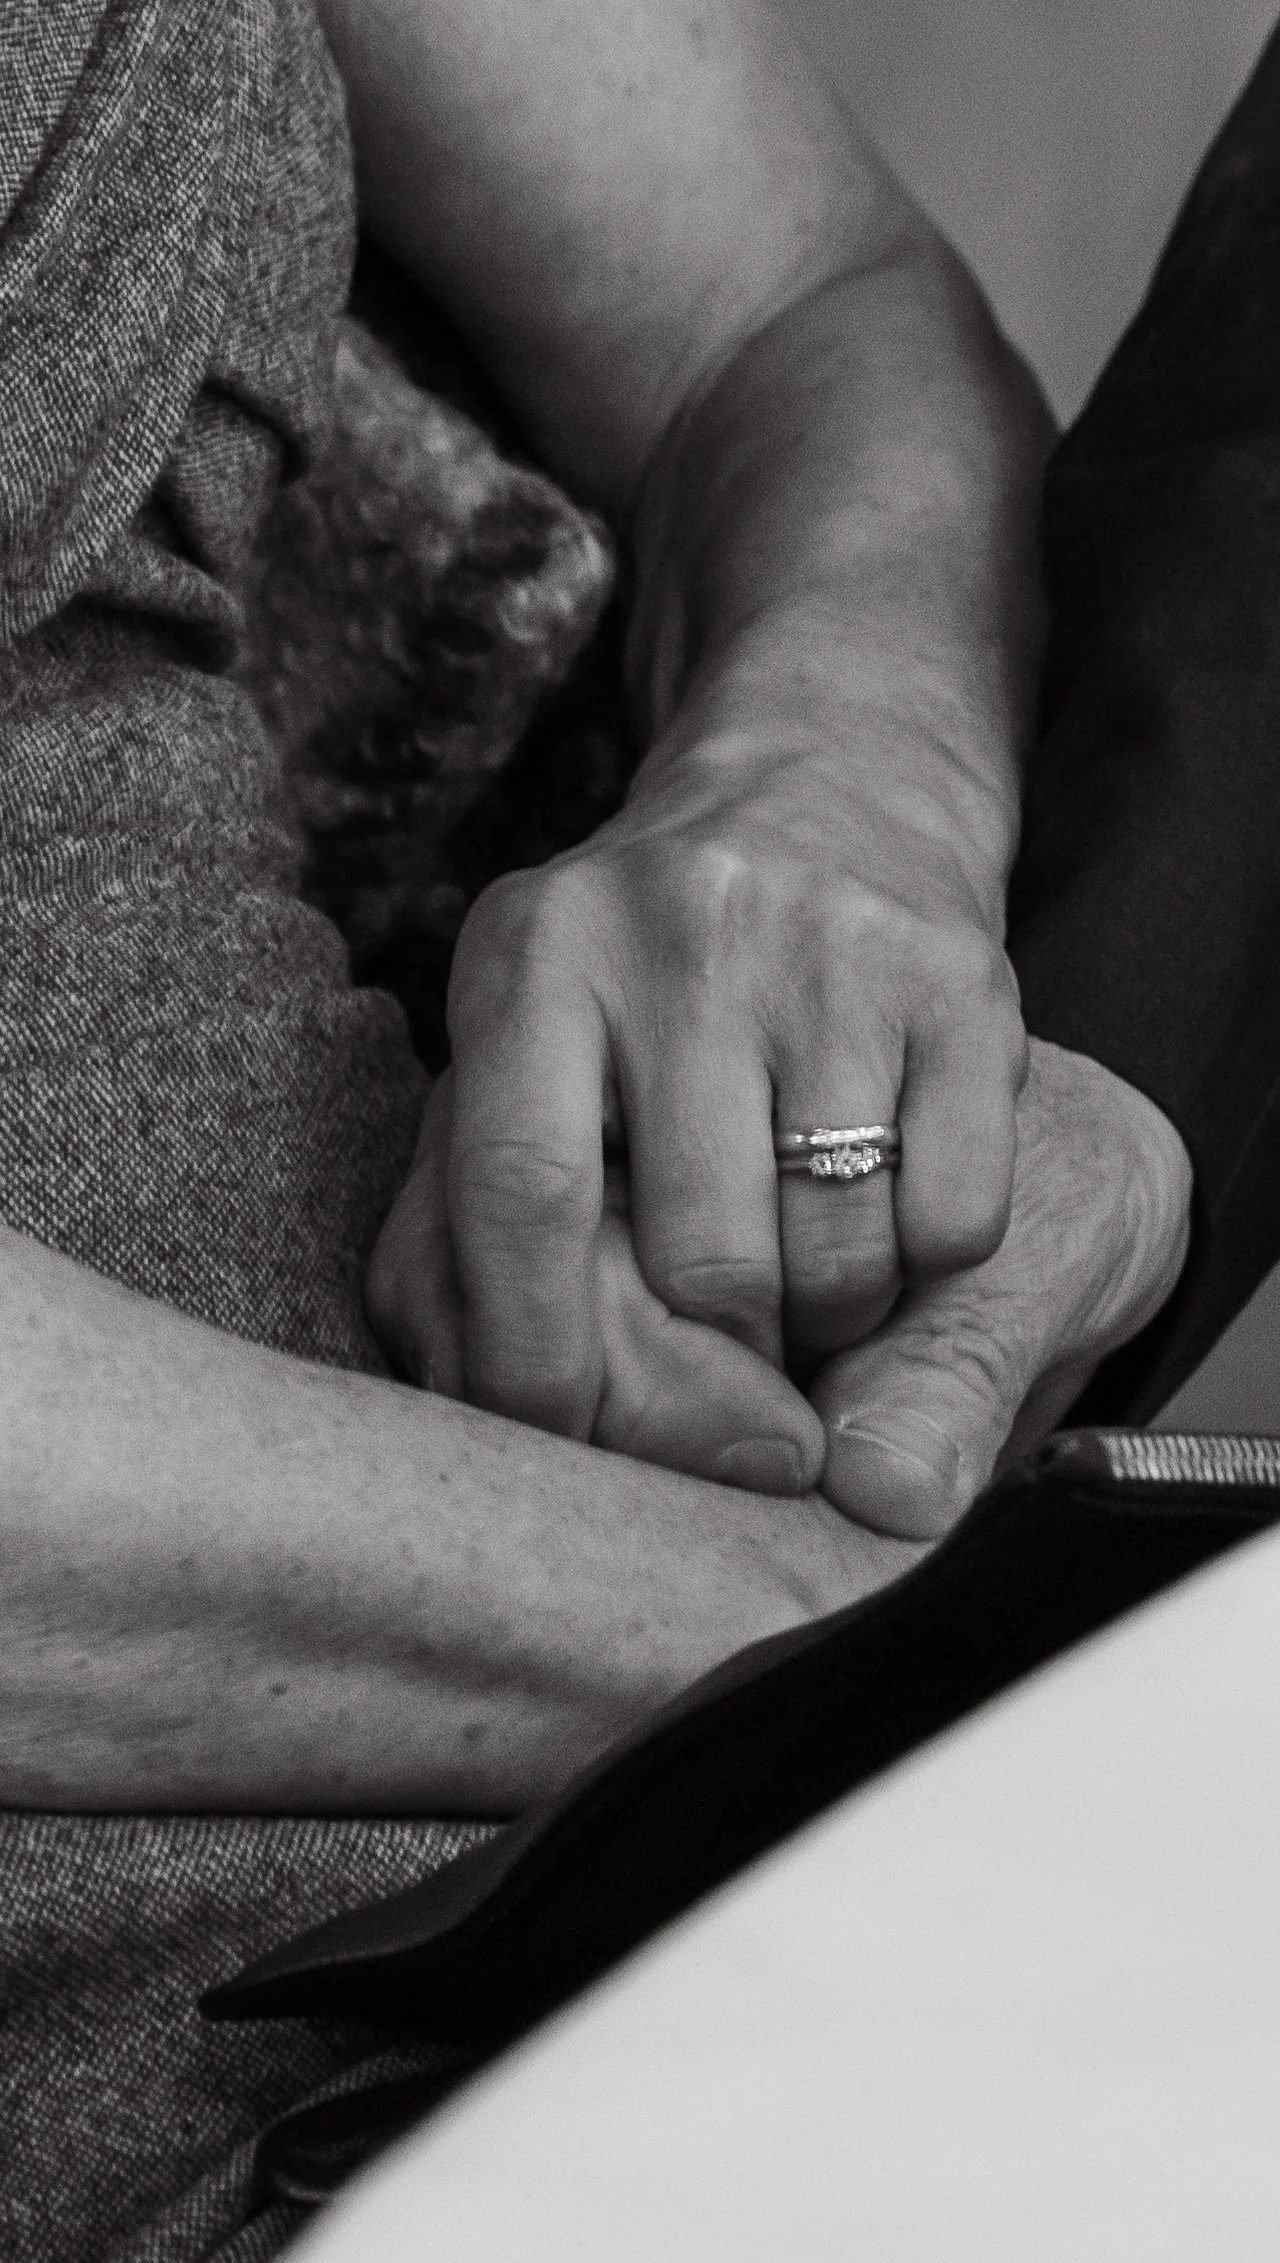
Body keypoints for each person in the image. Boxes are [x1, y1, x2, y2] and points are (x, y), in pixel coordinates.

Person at [0, 1, 1185, 2255]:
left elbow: (792, 306)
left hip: (604, 1739)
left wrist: (843, 766)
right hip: (248, 1936)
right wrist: (936, 1672)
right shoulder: (814, 1664)